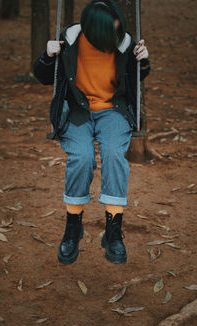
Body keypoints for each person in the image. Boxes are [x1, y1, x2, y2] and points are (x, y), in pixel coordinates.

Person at [34, 0, 150, 265]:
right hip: (78, 110)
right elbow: (42, 76)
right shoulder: (70, 40)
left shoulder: (124, 43)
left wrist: (143, 62)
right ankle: (73, 227)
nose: (116, 36)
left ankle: (113, 231)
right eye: (111, 31)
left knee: (113, 156)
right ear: (93, 30)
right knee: (82, 158)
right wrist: (48, 55)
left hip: (113, 110)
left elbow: (136, 79)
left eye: (118, 30)